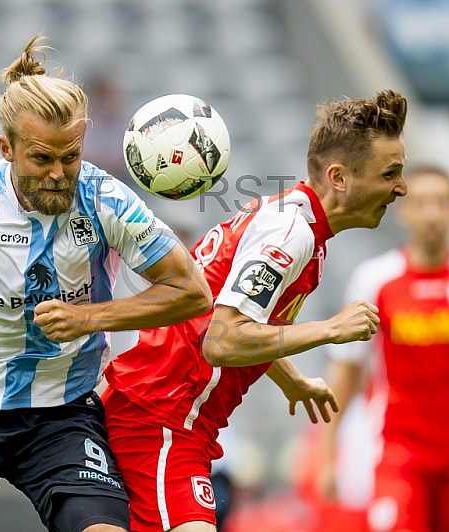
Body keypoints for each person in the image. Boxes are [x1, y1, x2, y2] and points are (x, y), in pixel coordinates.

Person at [0, 34, 212, 532]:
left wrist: (89, 317)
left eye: (70, 157)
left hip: (62, 414)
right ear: (5, 149)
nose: (59, 174)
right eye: (41, 159)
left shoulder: (105, 199)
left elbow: (191, 292)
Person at [103, 89, 410, 532]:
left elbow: (227, 318)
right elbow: (223, 340)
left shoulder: (293, 222)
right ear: (339, 177)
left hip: (169, 416)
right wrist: (329, 328)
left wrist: (291, 380)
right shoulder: (291, 234)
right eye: (390, 173)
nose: (401, 186)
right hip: (161, 419)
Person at [318, 166, 449, 532]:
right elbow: (347, 369)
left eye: (441, 203)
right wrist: (327, 454)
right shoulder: (374, 280)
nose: (431, 213)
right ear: (403, 211)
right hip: (396, 454)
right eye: (420, 203)